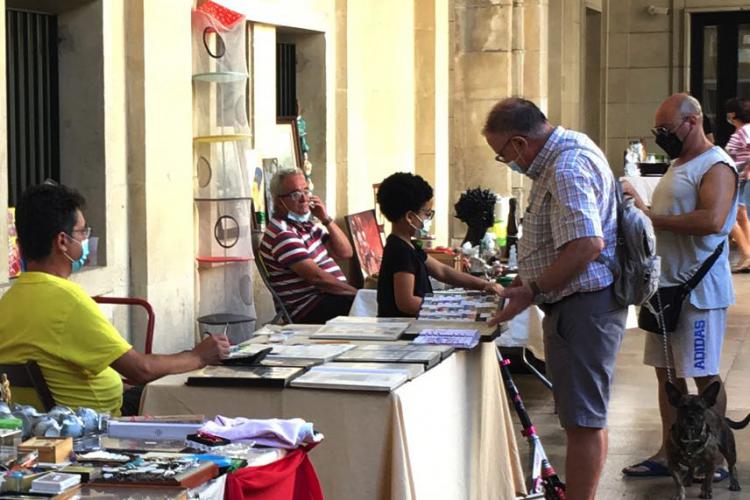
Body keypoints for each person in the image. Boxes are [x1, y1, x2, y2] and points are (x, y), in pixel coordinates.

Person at [484, 97, 626, 500]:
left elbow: (586, 244)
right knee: (587, 417)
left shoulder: (565, 167)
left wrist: (532, 289)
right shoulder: (569, 149)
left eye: (502, 155)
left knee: (582, 421)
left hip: (583, 307)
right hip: (582, 305)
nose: (507, 163)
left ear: (518, 143)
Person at [0, 184, 230, 415]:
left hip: (42, 422)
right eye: (82, 233)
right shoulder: (69, 302)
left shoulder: (8, 302)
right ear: (62, 241)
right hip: (100, 425)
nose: (86, 239)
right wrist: (197, 356)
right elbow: (140, 369)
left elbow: (63, 371)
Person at [621, 94, 738, 481]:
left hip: (698, 292)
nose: (661, 136)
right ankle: (669, 451)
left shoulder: (716, 165)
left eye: (666, 130)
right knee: (667, 375)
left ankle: (715, 456)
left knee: (702, 375)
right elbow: (667, 216)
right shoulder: (679, 164)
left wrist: (651, 216)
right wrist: (642, 208)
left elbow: (712, 219)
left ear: (692, 121)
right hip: (666, 287)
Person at [375, 172, 501, 317]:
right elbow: (407, 302)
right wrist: (451, 309)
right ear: (410, 217)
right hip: (403, 329)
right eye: (427, 213)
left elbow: (442, 271)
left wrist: (483, 285)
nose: (428, 219)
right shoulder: (400, 251)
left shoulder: (410, 246)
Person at [260, 168, 356, 323]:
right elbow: (317, 278)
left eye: (306, 191)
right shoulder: (282, 233)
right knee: (374, 307)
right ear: (279, 201)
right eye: (296, 194)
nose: (304, 199)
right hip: (309, 308)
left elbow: (345, 252)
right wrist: (357, 294)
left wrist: (325, 219)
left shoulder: (305, 225)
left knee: (376, 303)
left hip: (328, 298)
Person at [724, 97, 750, 271]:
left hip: (742, 179)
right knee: (741, 215)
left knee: (730, 216)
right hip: (738, 179)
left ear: (733, 114)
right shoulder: (740, 132)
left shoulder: (745, 131)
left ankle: (746, 252)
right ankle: (747, 253)